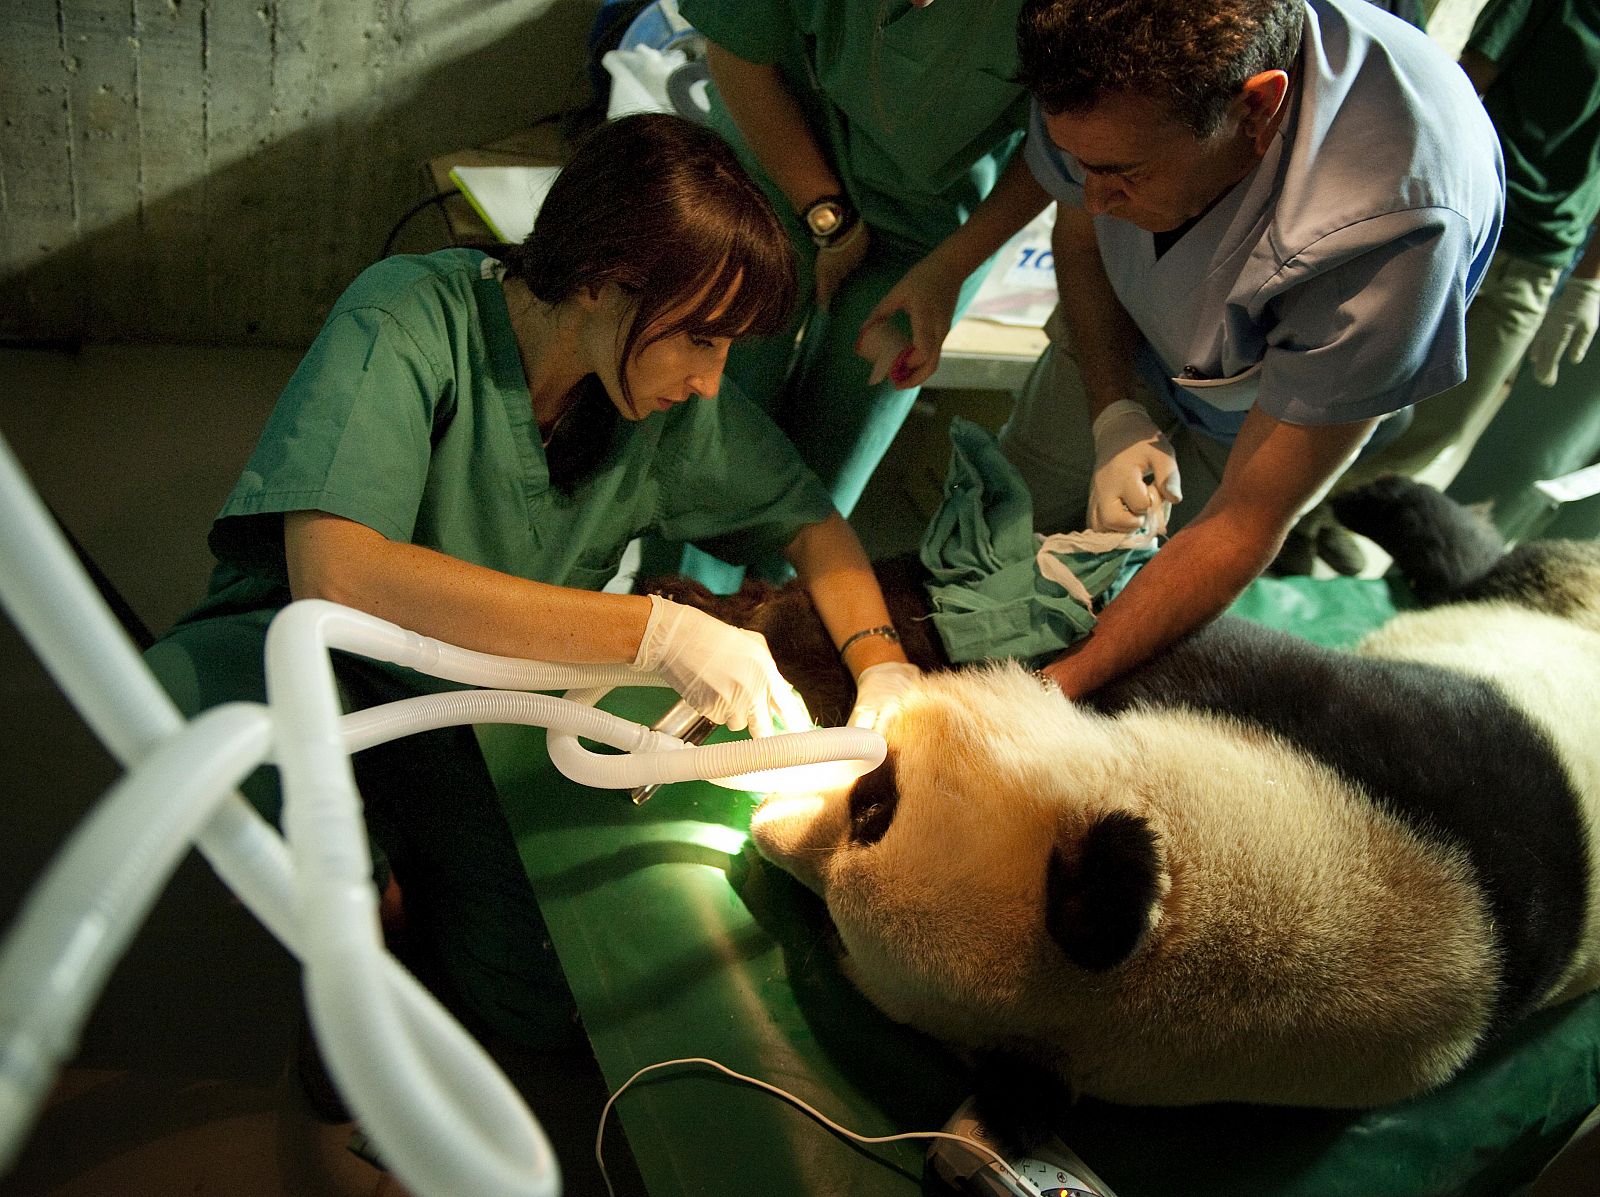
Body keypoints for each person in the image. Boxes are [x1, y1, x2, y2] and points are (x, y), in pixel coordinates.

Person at [143, 113, 920, 1059]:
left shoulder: (652, 412)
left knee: (542, 989)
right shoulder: (409, 317)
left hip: (473, 710)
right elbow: (336, 573)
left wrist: (880, 665)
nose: (713, 382)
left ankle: (403, 958)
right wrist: (654, 633)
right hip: (297, 665)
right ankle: (357, 979)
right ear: (600, 278)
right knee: (325, 892)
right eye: (702, 342)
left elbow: (811, 521)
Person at [997, 0, 1503, 699]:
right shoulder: (1100, 59)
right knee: (1002, 525)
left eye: (1125, 174)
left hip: (1250, 418)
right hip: (1121, 328)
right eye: (1080, 163)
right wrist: (1113, 408)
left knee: (1122, 634)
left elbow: (1244, 520)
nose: (1095, 196)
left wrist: (1051, 692)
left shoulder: (1395, 232)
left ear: (1257, 109)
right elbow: (1084, 235)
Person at [652, 0, 1048, 590]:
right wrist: (825, 215)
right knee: (708, 417)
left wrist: (950, 269)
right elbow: (736, 49)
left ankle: (766, 618)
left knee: (833, 454)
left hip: (930, 233)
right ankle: (669, 608)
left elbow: (1063, 147)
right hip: (773, 149)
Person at [1295, 0, 1600, 563]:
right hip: (1470, 216)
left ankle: (1321, 508)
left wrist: (1589, 282)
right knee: (1367, 380)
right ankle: (1282, 505)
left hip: (1543, 258)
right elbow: (1460, 85)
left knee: (1446, 420)